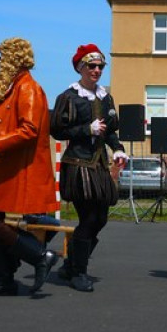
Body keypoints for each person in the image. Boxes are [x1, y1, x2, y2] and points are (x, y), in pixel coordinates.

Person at [0, 37, 62, 297]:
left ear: (14, 59)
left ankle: (40, 256)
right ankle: (4, 279)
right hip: (0, 165)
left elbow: (30, 129)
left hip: (13, 166)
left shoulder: (27, 88)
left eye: (3, 57)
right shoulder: (10, 87)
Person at [51, 43, 128, 292]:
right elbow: (57, 130)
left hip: (98, 164)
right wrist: (87, 129)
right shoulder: (68, 97)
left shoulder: (106, 97)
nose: (97, 70)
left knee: (101, 218)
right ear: (80, 67)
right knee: (89, 217)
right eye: (91, 66)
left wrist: (117, 149)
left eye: (100, 66)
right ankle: (78, 272)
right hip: (78, 163)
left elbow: (111, 131)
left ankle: (71, 264)